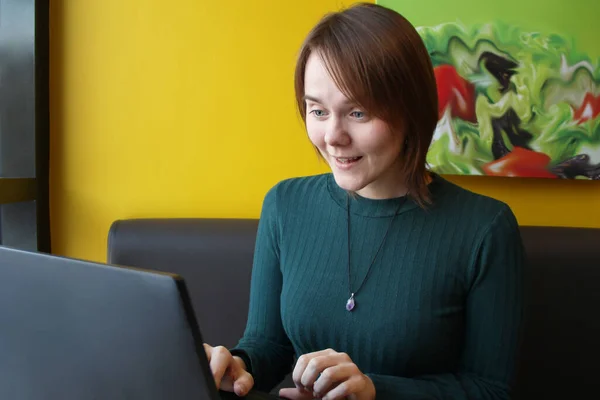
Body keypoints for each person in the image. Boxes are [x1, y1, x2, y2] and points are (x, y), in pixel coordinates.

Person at [203, 3, 524, 400]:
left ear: (411, 109)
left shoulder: (484, 228)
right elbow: (268, 347)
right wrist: (238, 366)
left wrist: (375, 391)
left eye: (357, 112)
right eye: (317, 110)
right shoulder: (284, 205)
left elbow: (490, 391)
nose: (332, 136)